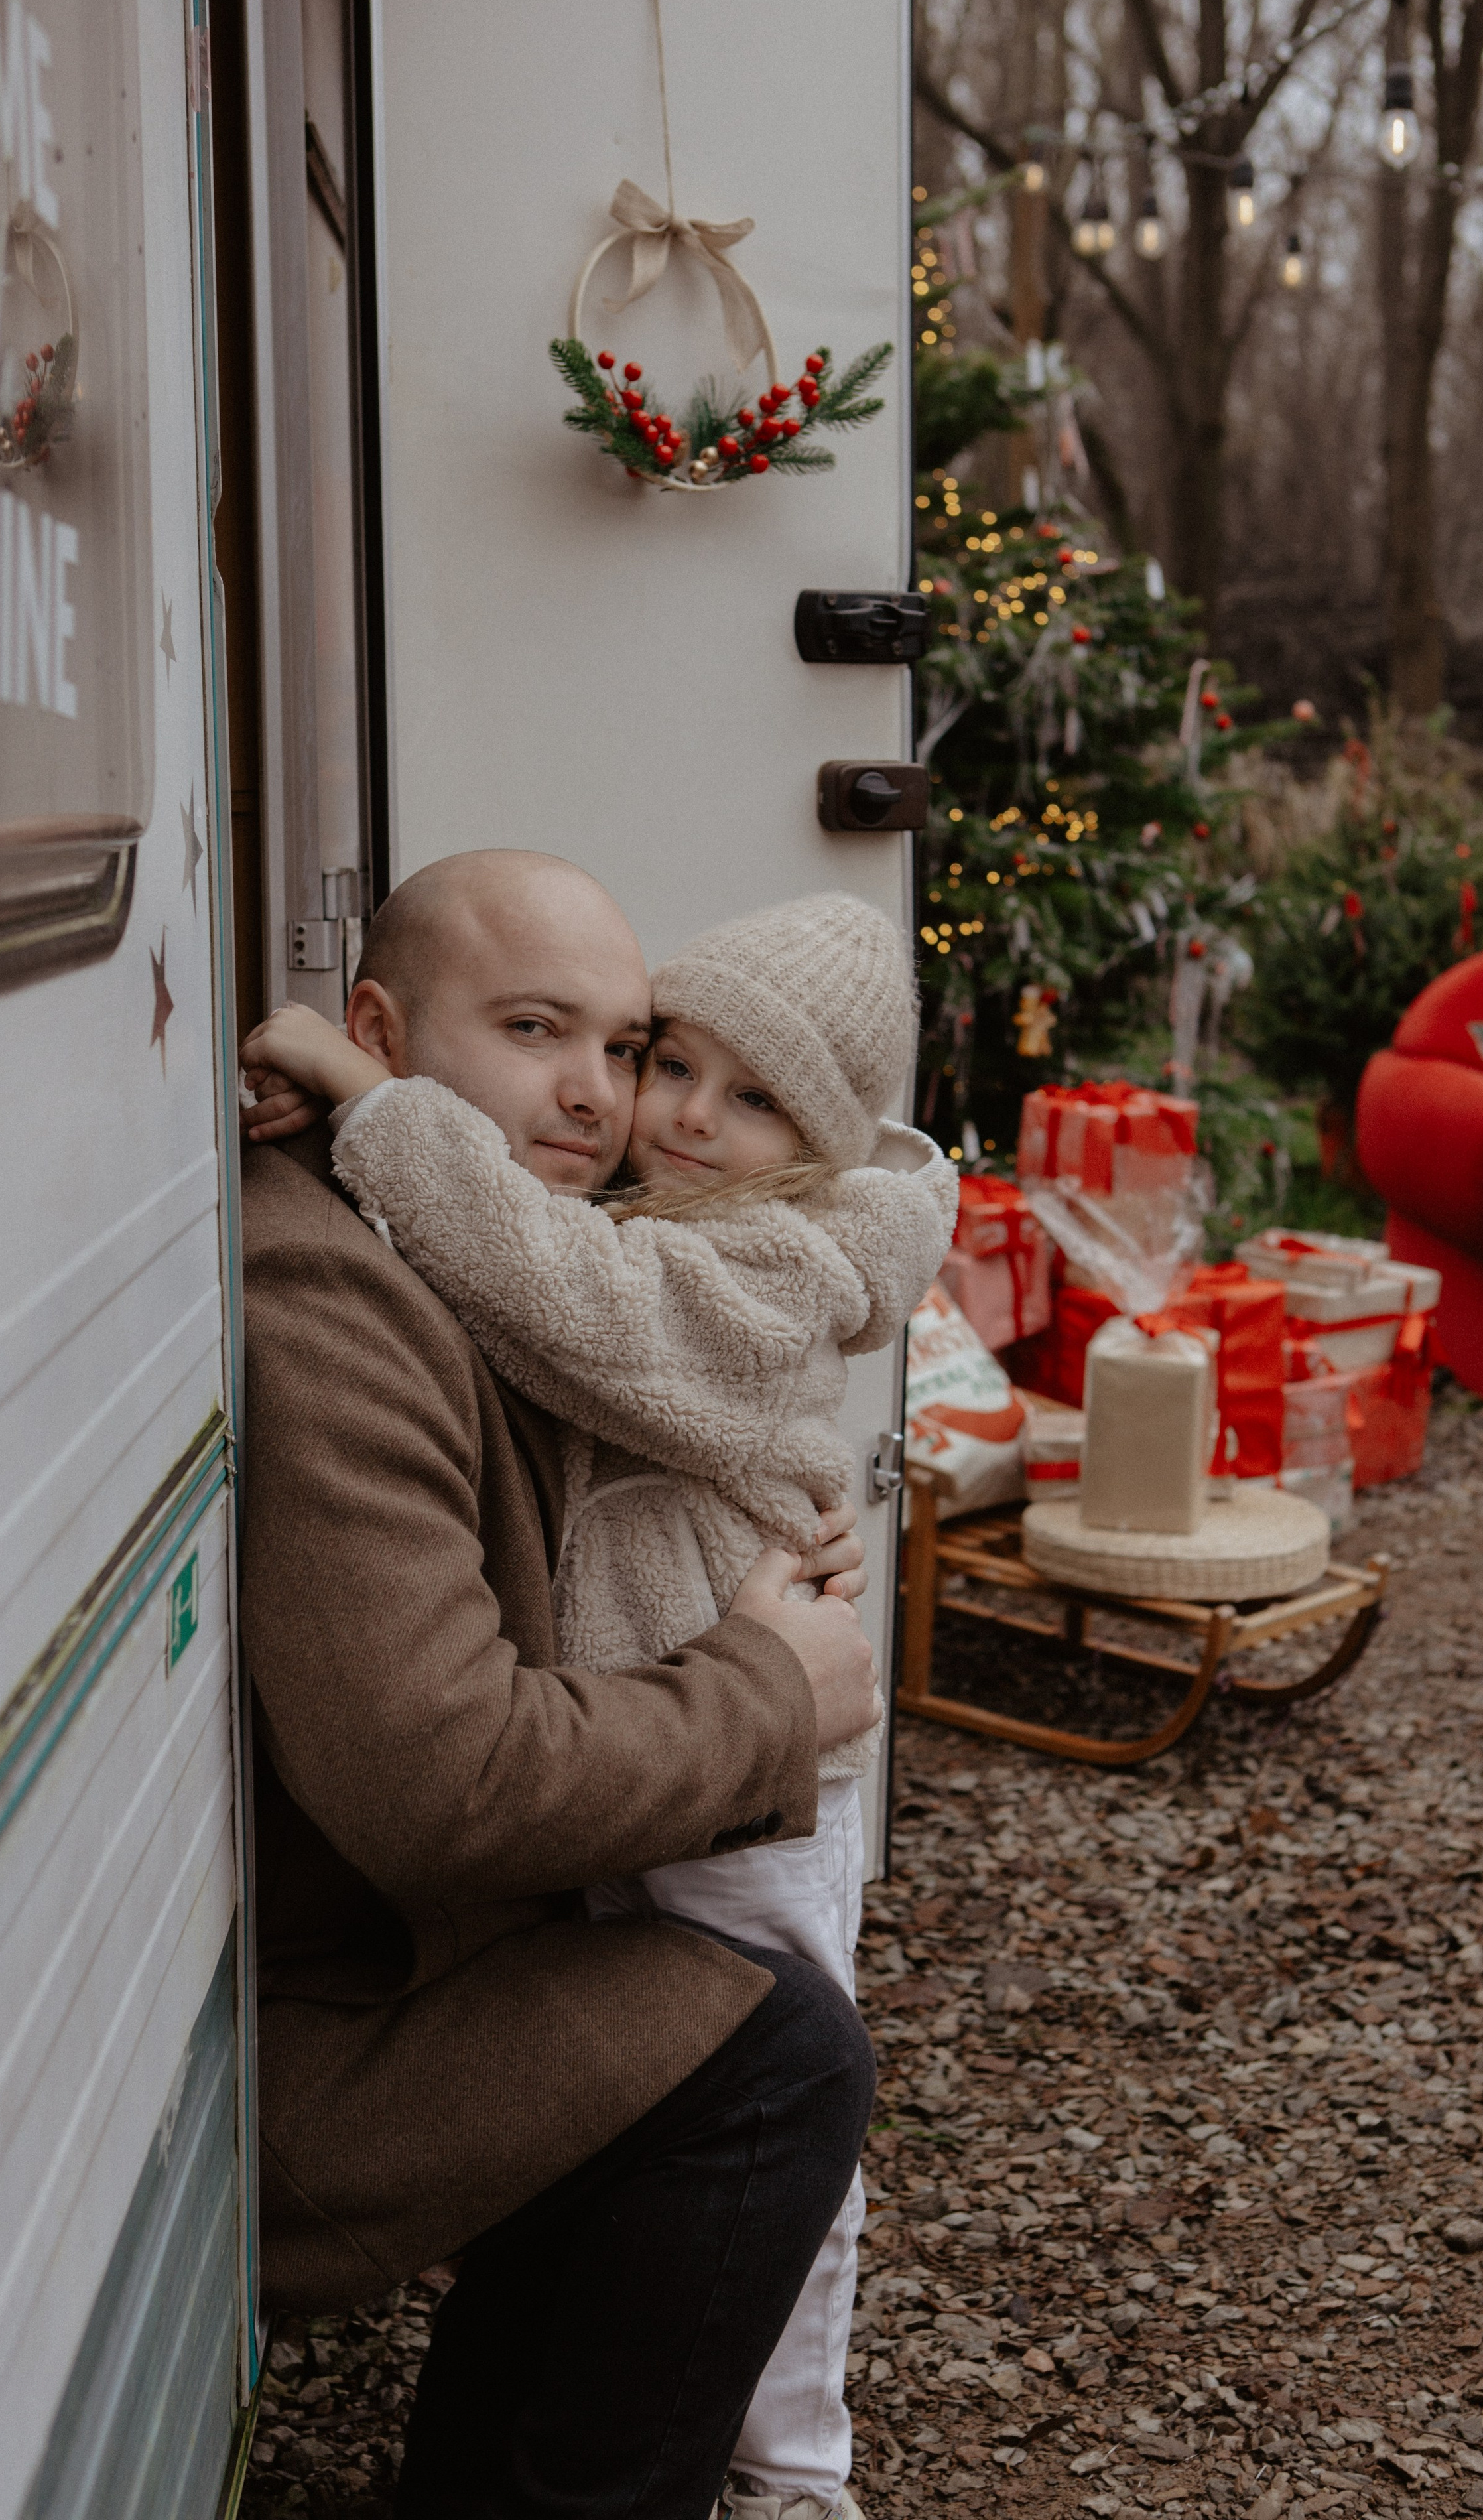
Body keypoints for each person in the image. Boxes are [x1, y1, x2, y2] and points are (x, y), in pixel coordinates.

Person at [241, 889, 957, 2520]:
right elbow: (443, 1775)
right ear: (379, 1033)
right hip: (403, 1956)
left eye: (617, 1046)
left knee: (791, 2050)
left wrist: (382, 1117)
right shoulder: (371, 1275)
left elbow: (574, 1310)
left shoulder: (752, 1246)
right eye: (541, 1032)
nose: (623, 1097)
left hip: (727, 1768)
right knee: (745, 2059)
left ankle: (791, 2471)